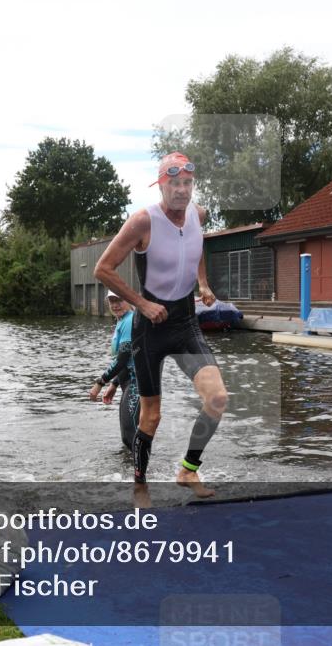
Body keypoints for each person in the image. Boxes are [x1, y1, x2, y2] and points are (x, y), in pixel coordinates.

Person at [94, 152, 228, 507]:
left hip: (184, 322)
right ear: (161, 185)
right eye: (175, 184)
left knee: (217, 398)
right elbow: (103, 269)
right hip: (149, 327)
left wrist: (203, 283)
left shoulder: (198, 215)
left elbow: (198, 246)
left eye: (187, 183)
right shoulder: (143, 221)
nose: (182, 191)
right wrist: (142, 304)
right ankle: (139, 486)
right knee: (152, 415)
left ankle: (188, 469)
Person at [89, 290, 139, 451]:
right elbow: (129, 358)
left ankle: (144, 474)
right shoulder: (122, 320)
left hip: (137, 383)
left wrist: (100, 382)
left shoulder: (129, 320)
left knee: (129, 435)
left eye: (119, 300)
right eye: (112, 301)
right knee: (130, 435)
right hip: (128, 382)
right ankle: (136, 471)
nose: (115, 305)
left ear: (129, 300)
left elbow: (123, 359)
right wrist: (115, 384)